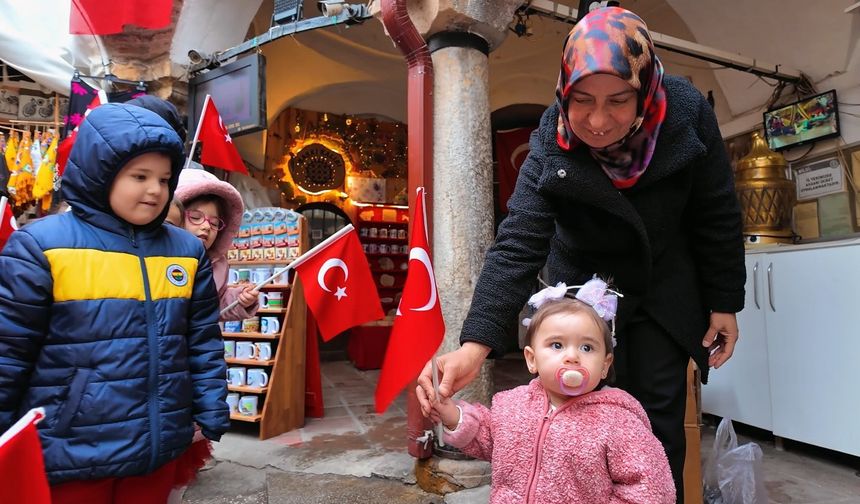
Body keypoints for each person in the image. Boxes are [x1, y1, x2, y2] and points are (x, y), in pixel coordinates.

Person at [417, 6, 745, 501]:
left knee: (655, 423)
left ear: (645, 89)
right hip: (583, 294)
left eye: (618, 100)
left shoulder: (684, 111)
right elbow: (518, 242)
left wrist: (724, 302)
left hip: (663, 282)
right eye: (582, 101)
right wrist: (475, 345)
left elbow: (716, 210)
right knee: (572, 412)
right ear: (563, 92)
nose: (597, 120)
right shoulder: (551, 136)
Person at [0, 103, 230, 503]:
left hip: (158, 447)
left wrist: (211, 407)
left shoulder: (186, 252)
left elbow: (202, 341)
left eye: (164, 178)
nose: (155, 189)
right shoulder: (41, 246)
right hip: (71, 450)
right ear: (100, 173)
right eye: (139, 176)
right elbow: (8, 351)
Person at [425, 279, 675, 503]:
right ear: (531, 359)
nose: (572, 356)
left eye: (587, 348)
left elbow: (651, 489)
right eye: (557, 345)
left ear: (604, 365)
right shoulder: (512, 406)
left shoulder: (620, 423)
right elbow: (490, 439)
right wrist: (453, 416)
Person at [174, 167, 259, 322]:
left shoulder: (217, 266)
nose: (206, 226)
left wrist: (240, 299)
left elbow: (216, 306)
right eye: (195, 217)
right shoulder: (156, 257)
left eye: (214, 223)